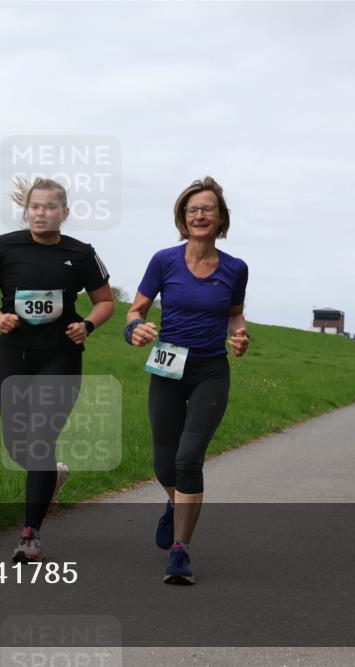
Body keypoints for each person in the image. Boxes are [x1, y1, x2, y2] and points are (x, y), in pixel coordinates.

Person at [0, 178, 115, 562]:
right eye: (35, 206)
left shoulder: (81, 254)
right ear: (27, 210)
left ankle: (30, 535)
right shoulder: (5, 246)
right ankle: (54, 473)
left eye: (50, 207)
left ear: (64, 213)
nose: (41, 213)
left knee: (39, 440)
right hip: (15, 355)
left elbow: (105, 301)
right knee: (20, 445)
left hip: (61, 357)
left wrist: (87, 325)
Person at [123, 176, 249, 585]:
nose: (199, 215)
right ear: (182, 217)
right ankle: (175, 505)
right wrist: (135, 330)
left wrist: (239, 335)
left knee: (188, 457)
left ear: (220, 218)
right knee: (164, 464)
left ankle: (180, 552)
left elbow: (234, 314)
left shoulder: (235, 268)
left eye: (207, 208)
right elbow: (135, 311)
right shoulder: (164, 261)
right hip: (167, 365)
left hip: (210, 369)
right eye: (192, 209)